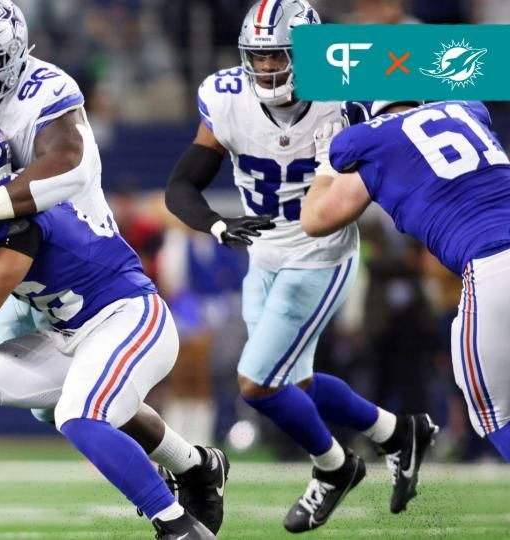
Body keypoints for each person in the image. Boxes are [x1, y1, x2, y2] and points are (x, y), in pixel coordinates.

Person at [0, 0, 228, 531]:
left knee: (80, 413)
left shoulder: (21, 211)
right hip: (66, 325)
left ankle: (175, 524)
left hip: (122, 316)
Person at [162, 0, 436, 532]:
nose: (266, 69)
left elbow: (421, 89)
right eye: (258, 58)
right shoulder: (226, 99)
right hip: (262, 253)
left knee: (256, 384)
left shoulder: (346, 88)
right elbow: (181, 184)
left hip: (320, 253)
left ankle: (334, 467)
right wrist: (217, 225)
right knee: (296, 384)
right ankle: (396, 433)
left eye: (279, 56)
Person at [301, 99, 510, 460]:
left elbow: (315, 219)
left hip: (491, 267)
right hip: (491, 261)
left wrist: (324, 166)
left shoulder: (368, 140)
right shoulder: (466, 110)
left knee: (494, 416)